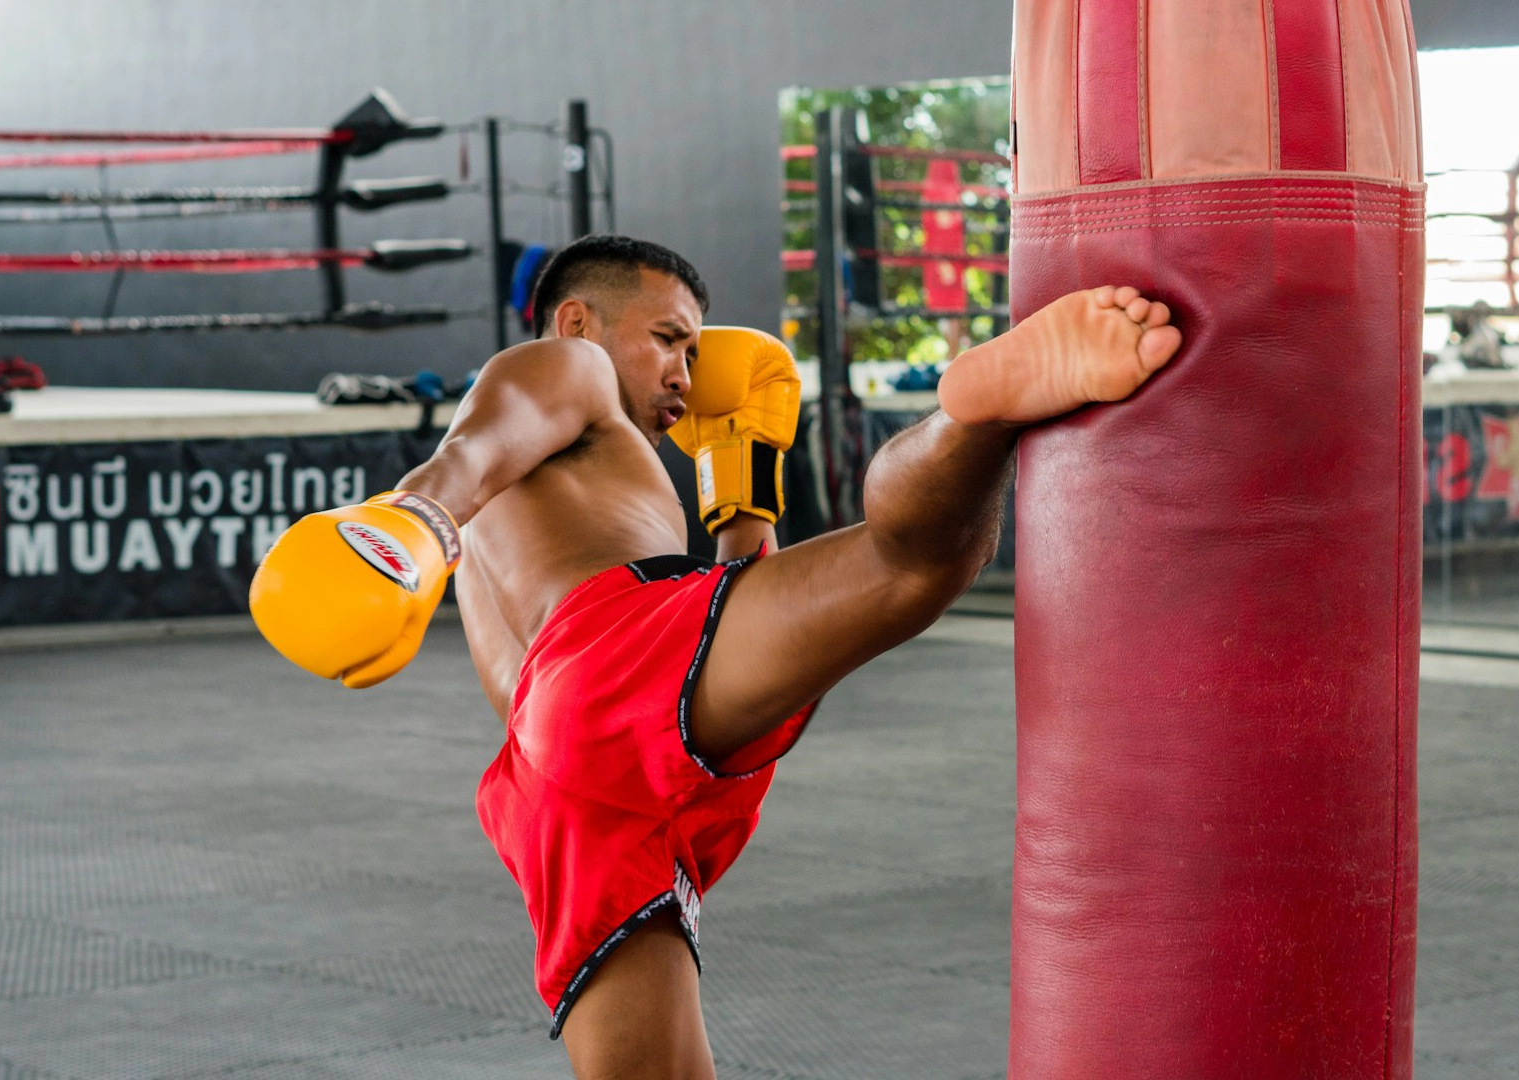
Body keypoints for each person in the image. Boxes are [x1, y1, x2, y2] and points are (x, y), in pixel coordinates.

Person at [247, 234, 1182, 1080]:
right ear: (580, 319)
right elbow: (480, 444)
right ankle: (974, 415)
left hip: (569, 781)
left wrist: (743, 495)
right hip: (610, 659)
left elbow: (741, 621)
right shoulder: (559, 365)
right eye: (668, 339)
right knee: (912, 563)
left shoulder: (585, 473)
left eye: (692, 350)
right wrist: (415, 517)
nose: (686, 374)